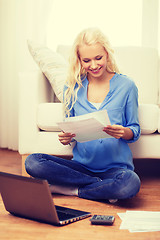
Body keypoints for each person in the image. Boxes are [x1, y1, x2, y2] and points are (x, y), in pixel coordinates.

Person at [25, 28, 141, 203]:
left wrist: (123, 132)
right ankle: (102, 187)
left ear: (107, 54)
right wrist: (66, 138)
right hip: (80, 167)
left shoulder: (127, 86)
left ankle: (72, 189)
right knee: (33, 162)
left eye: (98, 58)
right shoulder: (72, 88)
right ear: (79, 60)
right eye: (86, 60)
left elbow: (135, 129)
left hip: (116, 169)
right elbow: (71, 128)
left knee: (129, 184)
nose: (93, 65)